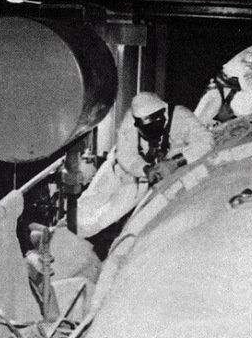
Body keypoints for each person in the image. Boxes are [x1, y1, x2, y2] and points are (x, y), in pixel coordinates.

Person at [76, 92, 214, 238]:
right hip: (125, 168)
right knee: (86, 205)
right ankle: (67, 234)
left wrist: (176, 162)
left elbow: (206, 141)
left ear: (164, 115)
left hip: (144, 179)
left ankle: (84, 237)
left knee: (106, 216)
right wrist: (145, 169)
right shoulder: (131, 119)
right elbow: (126, 155)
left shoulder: (181, 117)